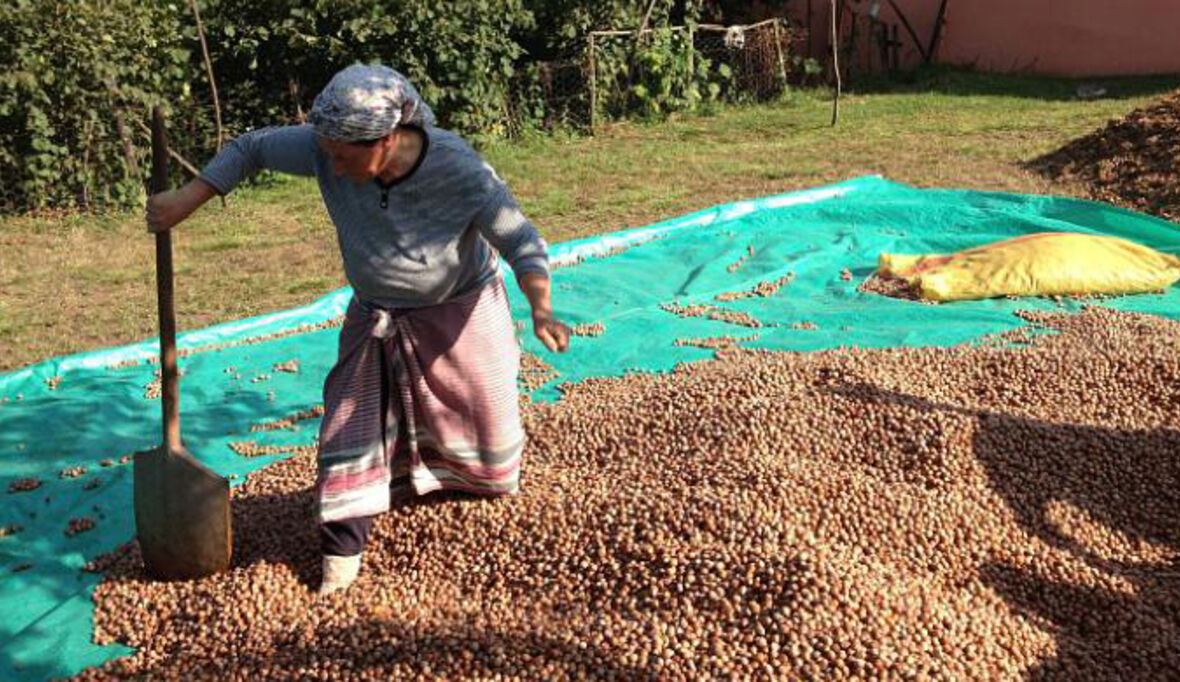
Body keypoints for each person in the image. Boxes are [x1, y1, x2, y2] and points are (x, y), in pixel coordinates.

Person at [146, 64, 570, 595]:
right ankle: (341, 555)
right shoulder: (326, 147)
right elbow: (251, 148)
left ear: (386, 141)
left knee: (483, 429)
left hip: (459, 314)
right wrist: (186, 199)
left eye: (342, 157)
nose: (333, 167)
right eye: (325, 153)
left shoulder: (458, 169)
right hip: (377, 317)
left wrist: (541, 307)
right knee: (350, 426)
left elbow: (521, 240)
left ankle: (462, 489)